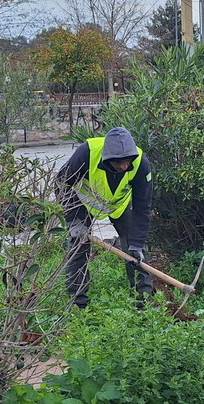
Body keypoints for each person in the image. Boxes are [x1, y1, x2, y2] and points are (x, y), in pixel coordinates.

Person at [57, 126, 155, 308]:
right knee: (78, 246)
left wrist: (137, 243)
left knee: (136, 251)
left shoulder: (141, 163)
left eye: (127, 162)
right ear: (107, 158)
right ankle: (77, 304)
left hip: (120, 206)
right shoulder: (87, 152)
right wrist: (73, 221)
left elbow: (143, 208)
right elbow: (62, 183)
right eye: (119, 163)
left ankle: (144, 302)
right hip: (82, 204)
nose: (124, 166)